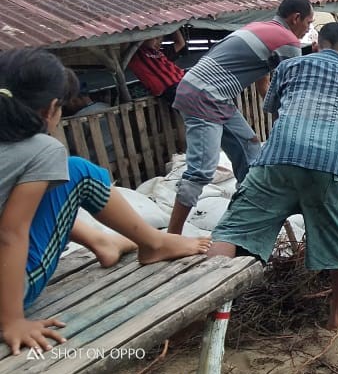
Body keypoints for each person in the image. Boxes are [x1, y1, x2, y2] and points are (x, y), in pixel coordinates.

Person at [0, 49, 211, 354]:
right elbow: (11, 233)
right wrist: (12, 321)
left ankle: (103, 242)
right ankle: (152, 243)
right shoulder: (42, 150)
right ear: (51, 109)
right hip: (8, 299)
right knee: (80, 172)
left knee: (60, 180)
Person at [207, 23, 338, 330]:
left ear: (316, 45)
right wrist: (334, 167)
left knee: (230, 232)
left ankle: (206, 315)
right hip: (330, 166)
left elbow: (274, 110)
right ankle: (336, 315)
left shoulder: (289, 67)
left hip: (276, 160)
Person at [168, 0, 314, 235]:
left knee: (251, 148)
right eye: (308, 23)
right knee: (202, 170)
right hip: (205, 96)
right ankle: (171, 236)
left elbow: (265, 88)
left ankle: (243, 219)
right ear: (296, 18)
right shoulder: (287, 41)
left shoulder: (261, 28)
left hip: (211, 95)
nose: (308, 29)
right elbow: (291, 94)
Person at [63, 79, 116, 164]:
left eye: (68, 103)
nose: (68, 107)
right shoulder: (106, 106)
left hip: (96, 162)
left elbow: (73, 145)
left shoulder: (77, 118)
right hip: (117, 155)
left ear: (74, 100)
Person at [127, 29, 186, 105]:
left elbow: (180, 43)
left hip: (184, 82)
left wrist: (175, 26)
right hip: (170, 88)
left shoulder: (162, 53)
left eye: (161, 40)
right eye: (156, 38)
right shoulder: (135, 56)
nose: (159, 43)